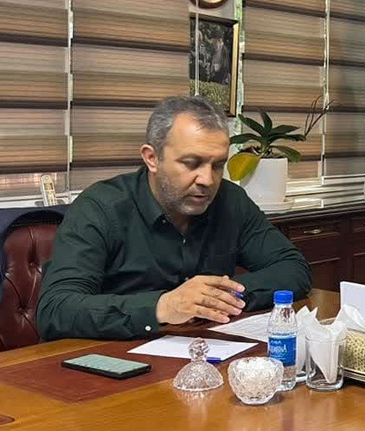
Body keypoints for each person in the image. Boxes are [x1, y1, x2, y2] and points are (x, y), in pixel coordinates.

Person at [37, 96, 311, 341]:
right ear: (152, 158)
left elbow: (293, 269)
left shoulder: (230, 200)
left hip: (202, 353)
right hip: (109, 360)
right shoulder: (101, 207)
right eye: (191, 163)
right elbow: (55, 309)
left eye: (217, 165)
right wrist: (162, 307)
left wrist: (221, 297)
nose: (207, 180)